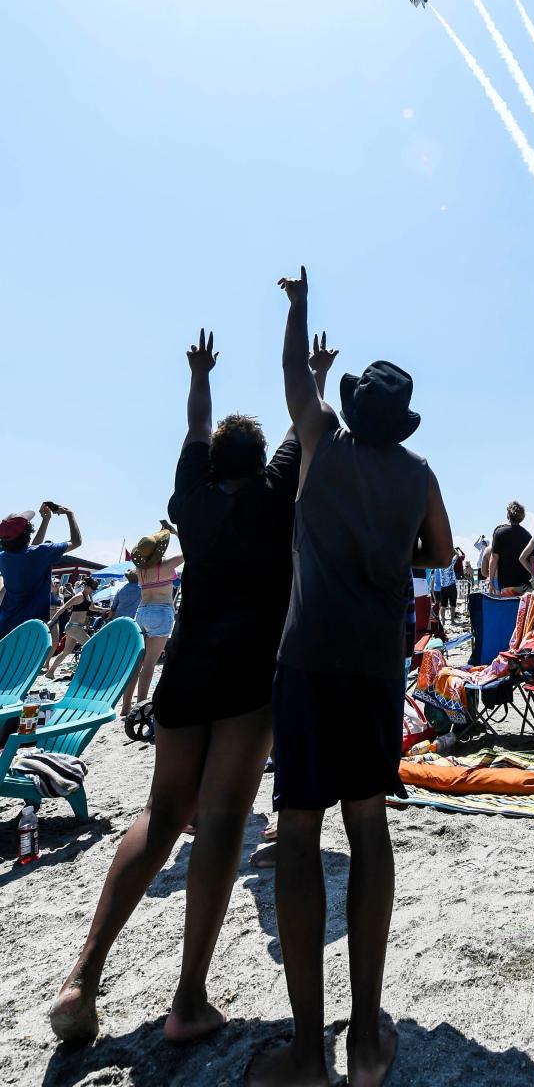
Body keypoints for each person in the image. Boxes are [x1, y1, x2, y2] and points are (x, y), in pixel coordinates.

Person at [51, 324, 308, 1047]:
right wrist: (310, 363)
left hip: (187, 668)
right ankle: (188, 999)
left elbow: (197, 422)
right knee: (223, 819)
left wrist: (200, 373)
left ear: (209, 463)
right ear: (261, 462)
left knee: (162, 814)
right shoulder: (273, 491)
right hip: (248, 674)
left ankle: (82, 976)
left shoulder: (189, 500)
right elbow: (302, 415)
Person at [249, 266, 453, 1087]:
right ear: (400, 421)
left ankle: (307, 1050)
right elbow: (439, 554)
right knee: (369, 827)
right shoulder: (419, 474)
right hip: (373, 664)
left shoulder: (322, 444)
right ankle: (366, 1039)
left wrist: (299, 308)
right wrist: (396, 550)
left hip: (305, 659)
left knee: (298, 828)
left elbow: (295, 375)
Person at [120, 525, 184, 719]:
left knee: (136, 663)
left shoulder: (139, 569)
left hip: (141, 611)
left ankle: (125, 706)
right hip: (161, 611)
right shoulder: (166, 566)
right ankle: (141, 708)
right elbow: (191, 548)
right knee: (149, 664)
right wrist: (176, 533)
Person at [0, 502, 82, 640]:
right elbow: (76, 541)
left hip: (5, 624)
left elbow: (31, 550)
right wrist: (70, 514)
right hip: (31, 628)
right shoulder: (41, 552)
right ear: (27, 533)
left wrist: (46, 520)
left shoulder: (3, 558)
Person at [45, 574, 106, 679]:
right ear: (86, 586)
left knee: (66, 652)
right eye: (92, 588)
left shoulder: (88, 596)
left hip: (76, 627)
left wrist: (103, 609)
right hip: (73, 627)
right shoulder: (79, 596)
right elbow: (63, 607)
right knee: (92, 646)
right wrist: (52, 620)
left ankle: (50, 672)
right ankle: (88, 672)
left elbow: (91, 607)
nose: (93, 590)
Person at [489, 501, 532, 595]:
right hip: (525, 585)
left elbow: (494, 559)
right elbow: (531, 561)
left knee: (508, 609)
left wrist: (491, 582)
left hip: (507, 585)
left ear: (508, 514)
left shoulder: (499, 533)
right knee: (523, 610)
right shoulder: (527, 535)